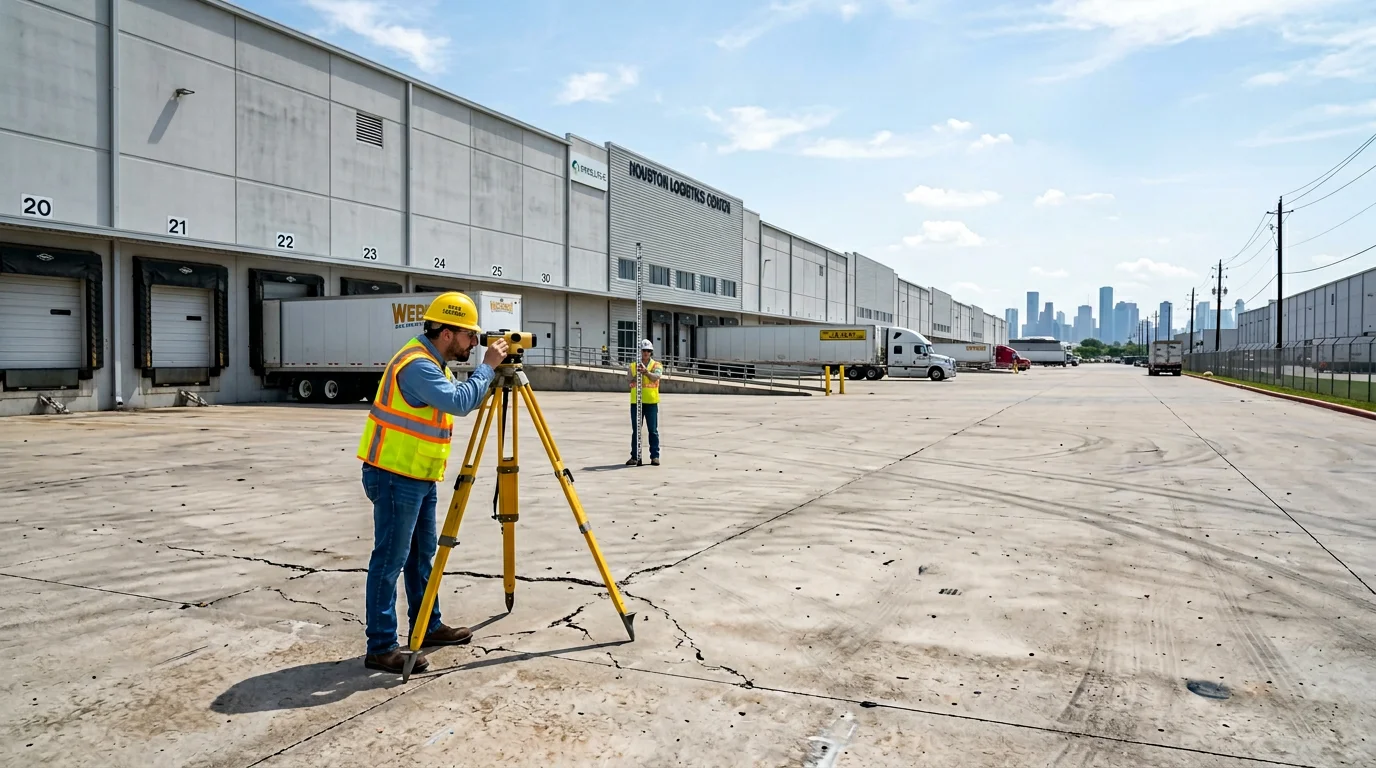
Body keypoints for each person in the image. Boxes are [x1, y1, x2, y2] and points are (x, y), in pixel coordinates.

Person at [356, 291, 509, 674]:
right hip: (395, 476)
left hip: (419, 476)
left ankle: (429, 624)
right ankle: (381, 646)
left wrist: (486, 373)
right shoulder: (417, 365)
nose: (475, 343)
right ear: (446, 332)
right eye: (469, 335)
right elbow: (459, 403)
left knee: (423, 557)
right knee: (390, 561)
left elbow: (457, 401)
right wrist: (487, 369)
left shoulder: (434, 361)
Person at [626, 339, 663, 466]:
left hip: (651, 402)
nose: (646, 353)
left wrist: (646, 372)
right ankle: (635, 456)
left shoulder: (656, 365)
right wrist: (638, 375)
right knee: (636, 430)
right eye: (643, 350)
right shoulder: (633, 366)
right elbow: (629, 381)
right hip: (636, 402)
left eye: (648, 351)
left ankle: (655, 456)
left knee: (653, 430)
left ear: (651, 352)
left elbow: (656, 377)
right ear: (640, 352)